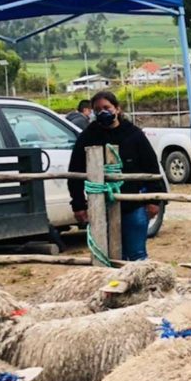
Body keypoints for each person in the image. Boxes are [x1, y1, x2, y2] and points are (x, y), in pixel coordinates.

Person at [67, 91, 163, 261]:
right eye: (98, 109)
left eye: (107, 107)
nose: (102, 112)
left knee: (136, 256)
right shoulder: (88, 137)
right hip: (100, 207)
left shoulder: (134, 134)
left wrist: (154, 201)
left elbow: (152, 168)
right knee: (105, 257)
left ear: (117, 109)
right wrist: (78, 205)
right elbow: (75, 173)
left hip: (132, 205)